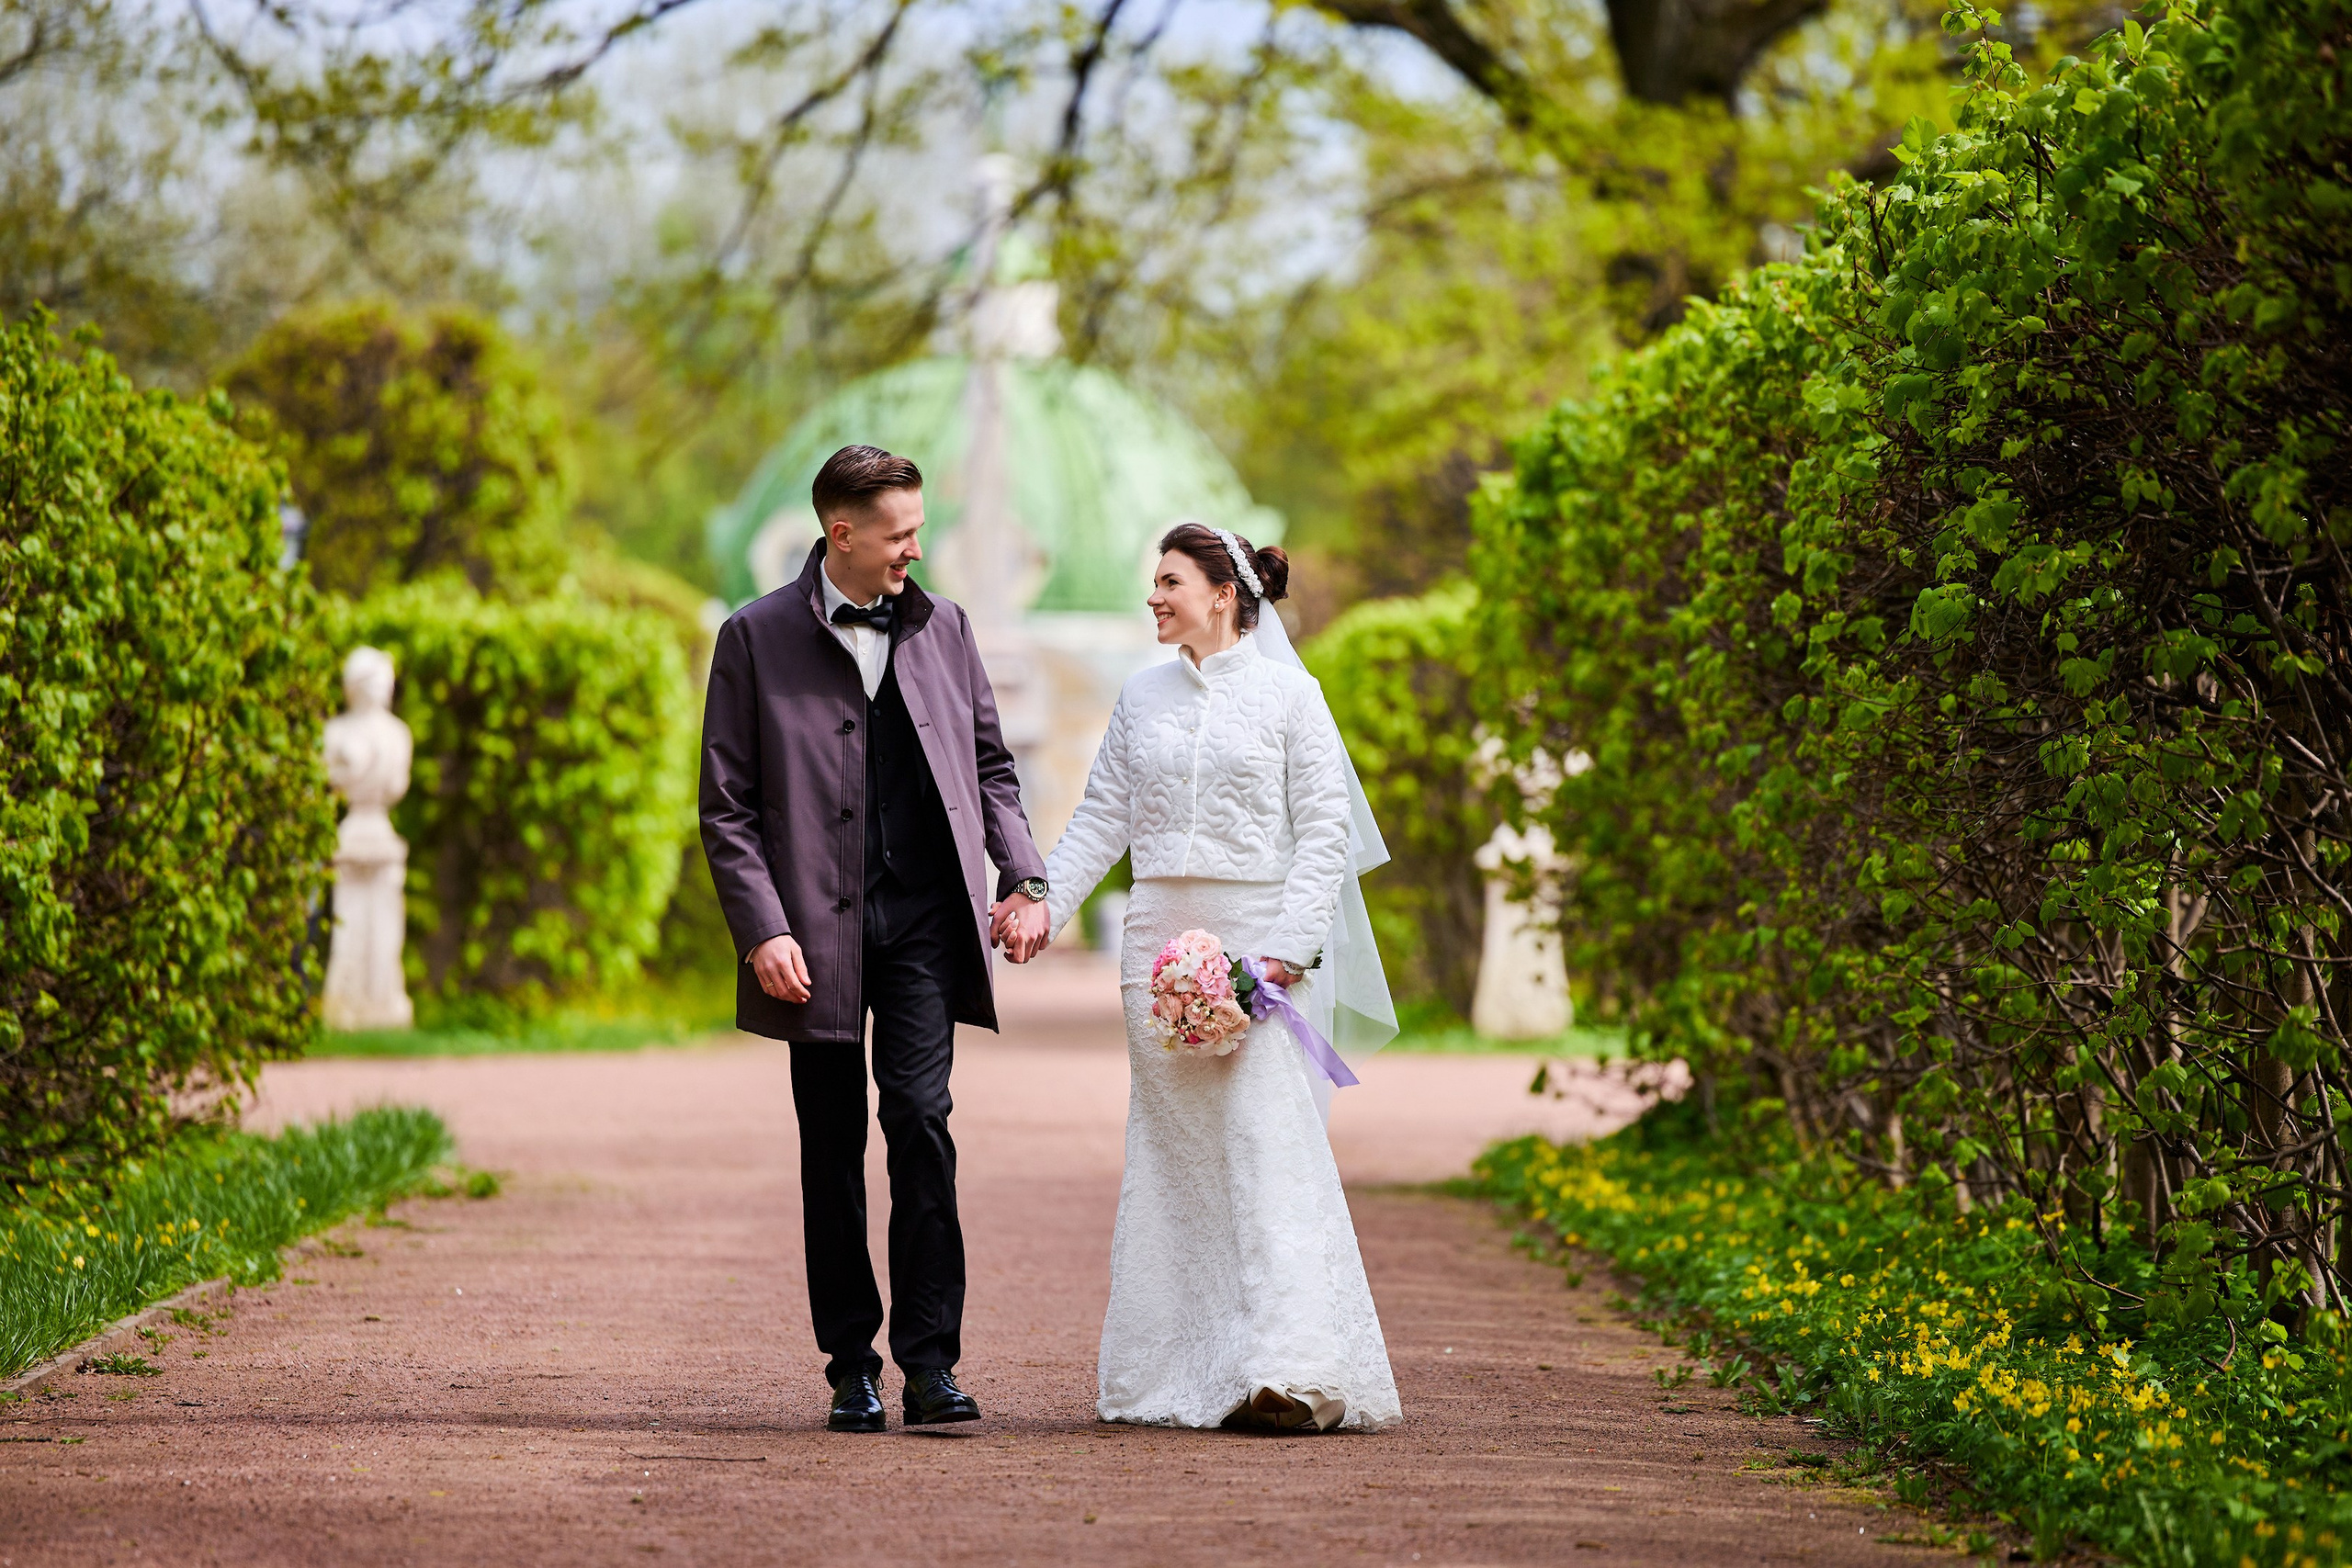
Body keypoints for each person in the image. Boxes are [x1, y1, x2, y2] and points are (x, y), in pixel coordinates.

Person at [699, 445, 1054, 1434]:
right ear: (840, 533)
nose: (916, 549)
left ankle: (931, 1366)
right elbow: (724, 810)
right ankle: (850, 1364)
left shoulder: (948, 629)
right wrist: (761, 928)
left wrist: (1023, 875)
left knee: (921, 1125)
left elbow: (990, 769)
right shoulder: (753, 637)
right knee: (830, 1143)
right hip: (806, 932)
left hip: (923, 924)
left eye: (919, 529)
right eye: (899, 534)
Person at [1041, 523, 1403, 1432]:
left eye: (1168, 581)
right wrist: (1040, 908)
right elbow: (1098, 822)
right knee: (1171, 1162)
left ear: (1222, 594)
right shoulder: (1139, 696)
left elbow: (1325, 832)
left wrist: (1284, 949)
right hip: (1154, 955)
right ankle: (1165, 1376)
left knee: (1261, 1147)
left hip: (1260, 955)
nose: (1154, 598)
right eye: (1154, 583)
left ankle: (1289, 1372)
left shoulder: (1291, 697)